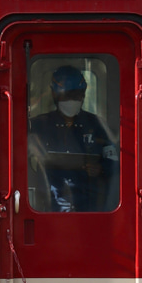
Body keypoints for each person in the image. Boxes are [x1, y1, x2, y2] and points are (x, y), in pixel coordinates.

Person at [29, 65, 118, 212]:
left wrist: (100, 169)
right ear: (54, 94)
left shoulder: (97, 125)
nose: (71, 100)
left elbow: (114, 162)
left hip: (90, 206)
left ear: (83, 94)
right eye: (66, 95)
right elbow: (18, 156)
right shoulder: (39, 125)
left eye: (76, 95)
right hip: (48, 206)